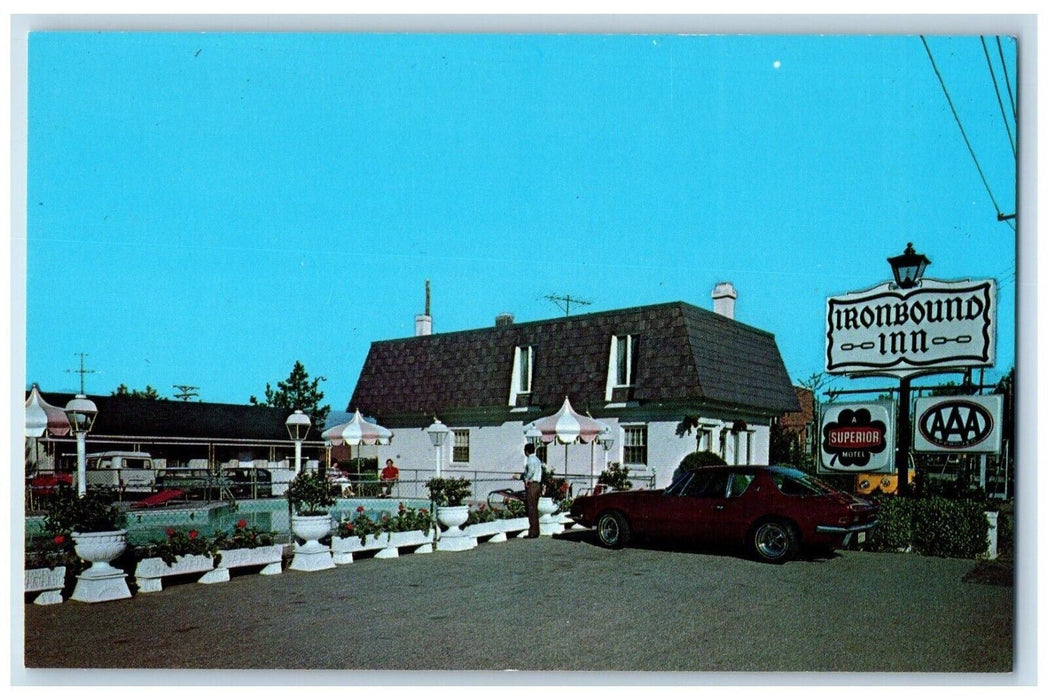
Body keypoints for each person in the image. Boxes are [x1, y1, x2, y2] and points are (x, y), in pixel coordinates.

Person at [518, 443, 543, 538]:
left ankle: (533, 532)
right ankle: (536, 530)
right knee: (535, 508)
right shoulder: (537, 459)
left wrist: (526, 479)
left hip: (532, 485)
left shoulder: (530, 460)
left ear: (527, 451)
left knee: (531, 508)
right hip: (537, 485)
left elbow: (530, 471)